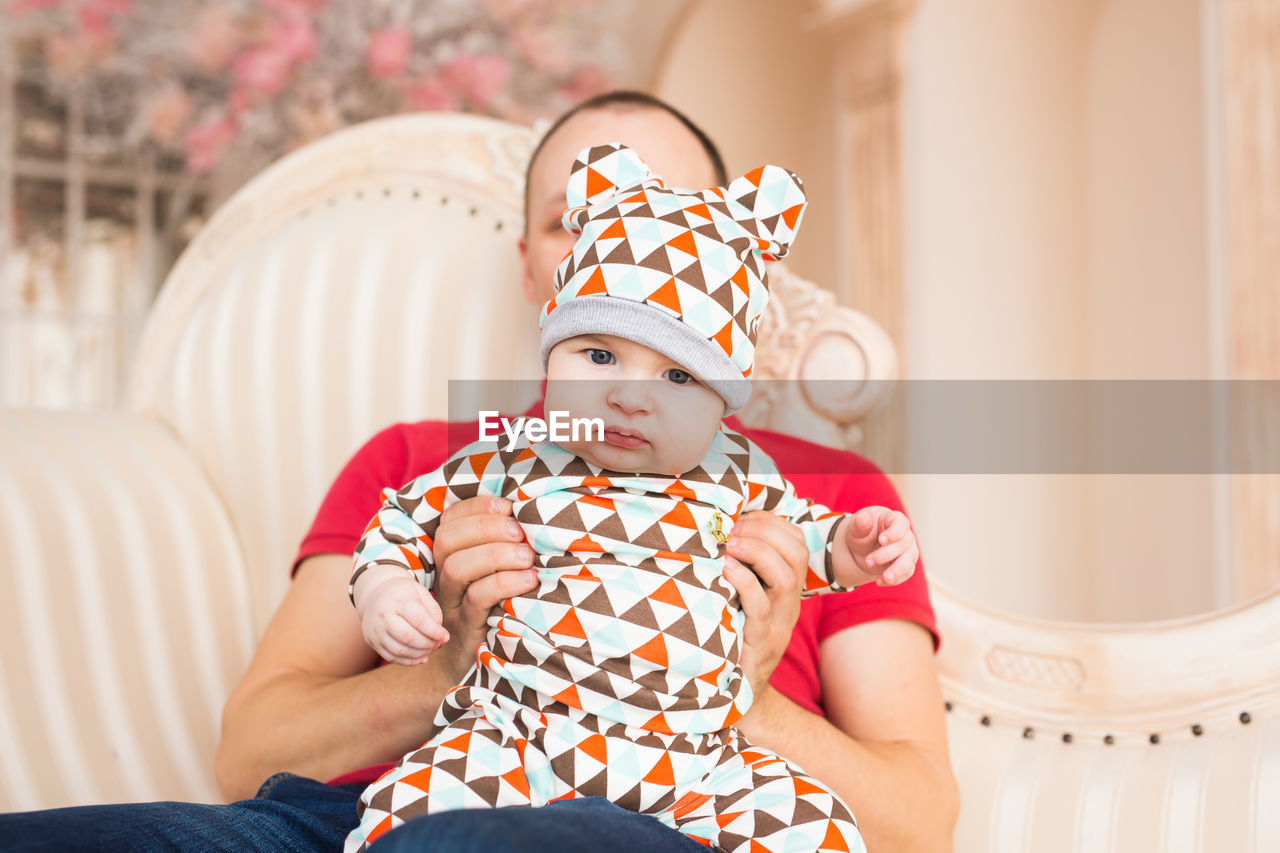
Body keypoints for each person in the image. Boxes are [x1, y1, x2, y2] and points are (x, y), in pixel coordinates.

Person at [0, 92, 957, 853]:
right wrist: (460, 665)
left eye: (679, 229)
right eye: (587, 219)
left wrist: (734, 690)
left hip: (674, 815)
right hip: (384, 808)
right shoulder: (428, 460)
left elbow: (921, 827)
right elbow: (249, 755)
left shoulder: (825, 489)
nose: (641, 258)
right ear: (537, 265)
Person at [344, 143, 917, 853]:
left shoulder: (741, 471)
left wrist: (855, 548)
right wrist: (385, 590)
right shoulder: (512, 457)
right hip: (516, 741)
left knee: (818, 827)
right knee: (408, 820)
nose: (628, 396)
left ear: (721, 404)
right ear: (550, 344)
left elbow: (810, 539)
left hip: (701, 764)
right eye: (600, 354)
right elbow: (400, 519)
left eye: (678, 378)